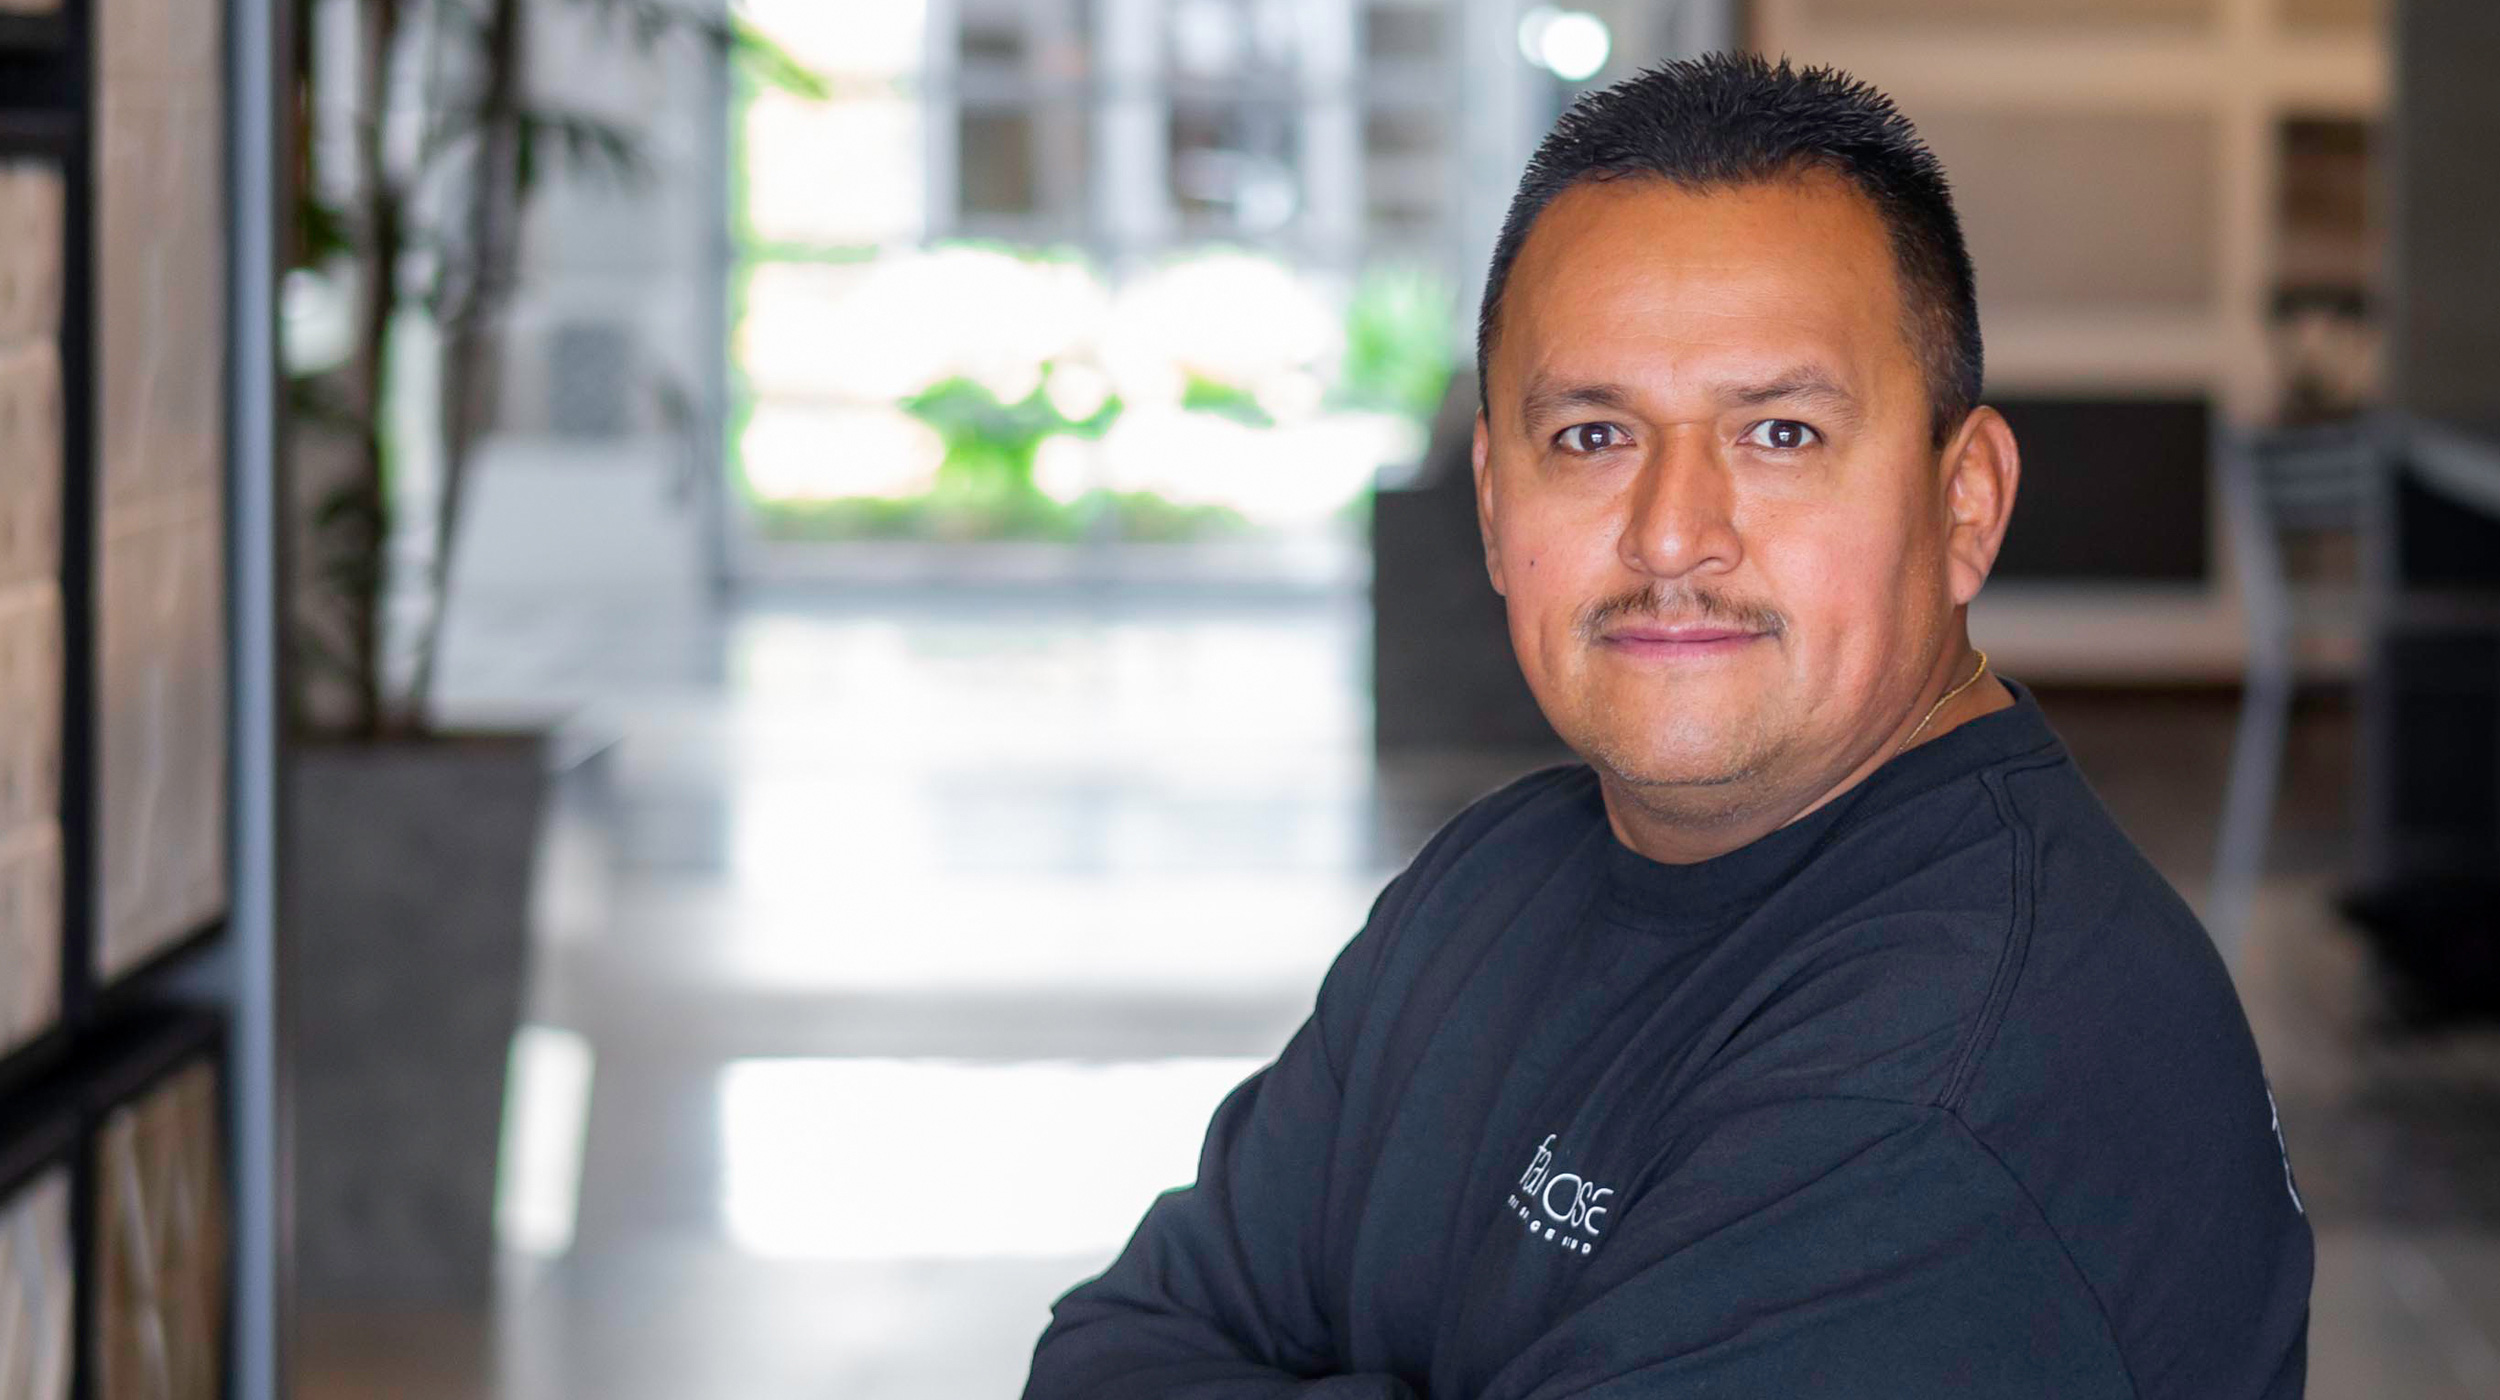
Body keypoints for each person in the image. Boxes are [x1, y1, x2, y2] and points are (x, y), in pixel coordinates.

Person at [1022, 53, 2312, 1399]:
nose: (1672, 533)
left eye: (1782, 434)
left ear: (1966, 505)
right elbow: (1111, 1351)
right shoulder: (1487, 886)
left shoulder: (1956, 1081)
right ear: (1491, 506)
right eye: (1591, 436)